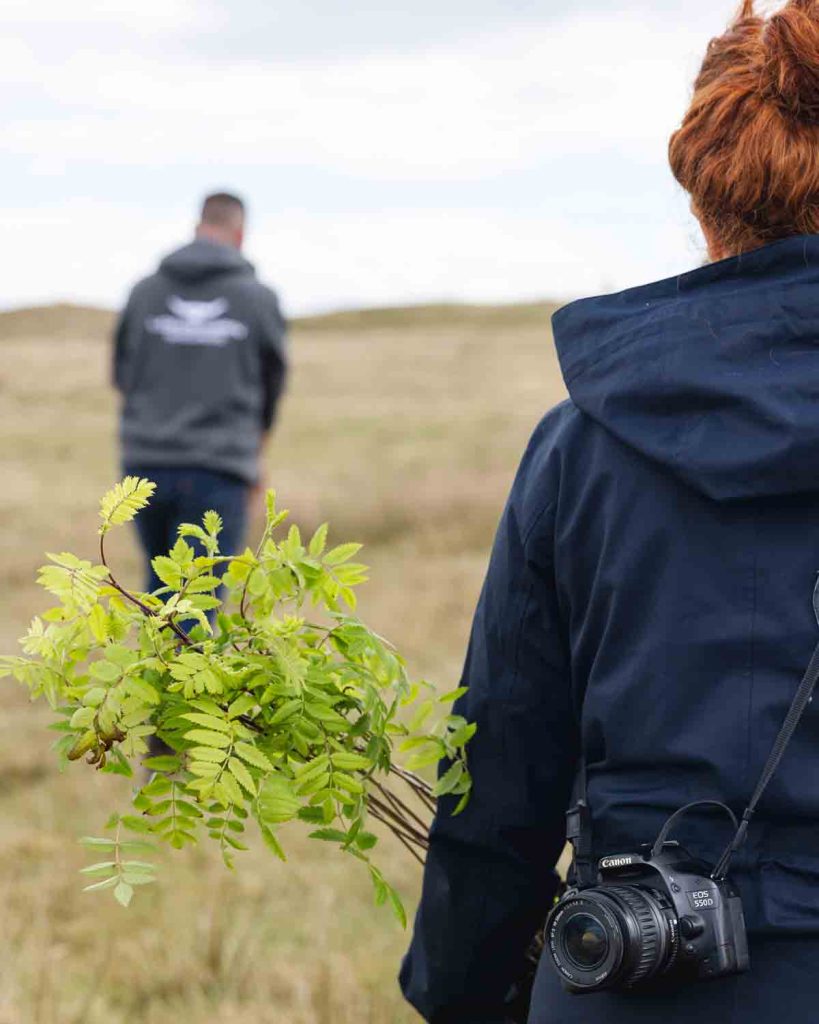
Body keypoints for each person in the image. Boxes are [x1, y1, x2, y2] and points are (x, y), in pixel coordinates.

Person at [401, 2, 819, 1022]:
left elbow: (499, 777)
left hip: (630, 972)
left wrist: (461, 991)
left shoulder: (580, 444)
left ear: (707, 199)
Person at [113, 192, 287, 592]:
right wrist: (254, 455)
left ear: (196, 227)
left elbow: (122, 374)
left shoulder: (145, 293)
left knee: (160, 596)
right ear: (240, 233)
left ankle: (157, 655)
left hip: (145, 464)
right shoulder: (257, 299)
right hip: (219, 469)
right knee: (198, 599)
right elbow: (271, 387)